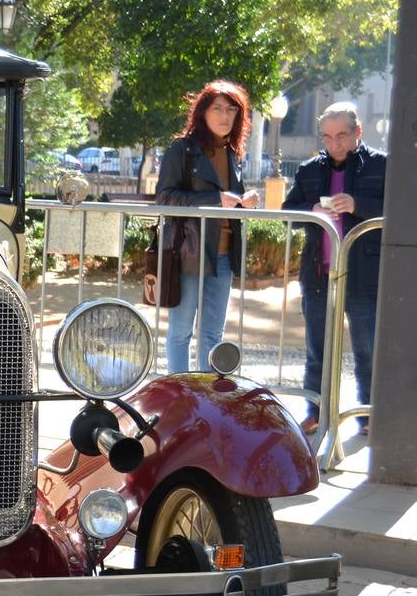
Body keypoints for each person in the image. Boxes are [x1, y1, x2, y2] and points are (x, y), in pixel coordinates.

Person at [283, 101, 386, 436]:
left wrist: (359, 206)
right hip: (318, 276)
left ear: (357, 132)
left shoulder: (383, 166)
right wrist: (311, 209)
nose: (334, 143)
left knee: (367, 349)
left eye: (342, 135)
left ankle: (367, 416)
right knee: (317, 351)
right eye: (327, 137)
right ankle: (315, 413)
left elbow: (401, 210)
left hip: (364, 276)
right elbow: (288, 212)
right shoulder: (309, 170)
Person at [154, 80, 260, 373]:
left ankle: (207, 402)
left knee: (213, 335)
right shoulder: (182, 150)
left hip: (223, 255)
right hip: (189, 253)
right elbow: (165, 197)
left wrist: (244, 201)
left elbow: (228, 201)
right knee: (180, 333)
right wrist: (215, 199)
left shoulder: (232, 153)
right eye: (218, 108)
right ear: (203, 112)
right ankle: (180, 398)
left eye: (232, 110)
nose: (225, 116)